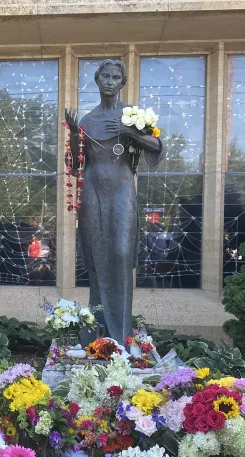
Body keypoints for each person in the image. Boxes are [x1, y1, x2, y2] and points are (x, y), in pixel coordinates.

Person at [64, 59, 163, 341]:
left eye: (115, 77)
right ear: (97, 81)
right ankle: (97, 332)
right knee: (96, 256)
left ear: (122, 82)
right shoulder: (88, 120)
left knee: (120, 254)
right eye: (105, 76)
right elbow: (75, 165)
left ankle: (119, 335)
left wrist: (131, 132)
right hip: (93, 189)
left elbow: (156, 146)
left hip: (121, 189)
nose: (110, 81)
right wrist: (73, 133)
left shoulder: (132, 115)